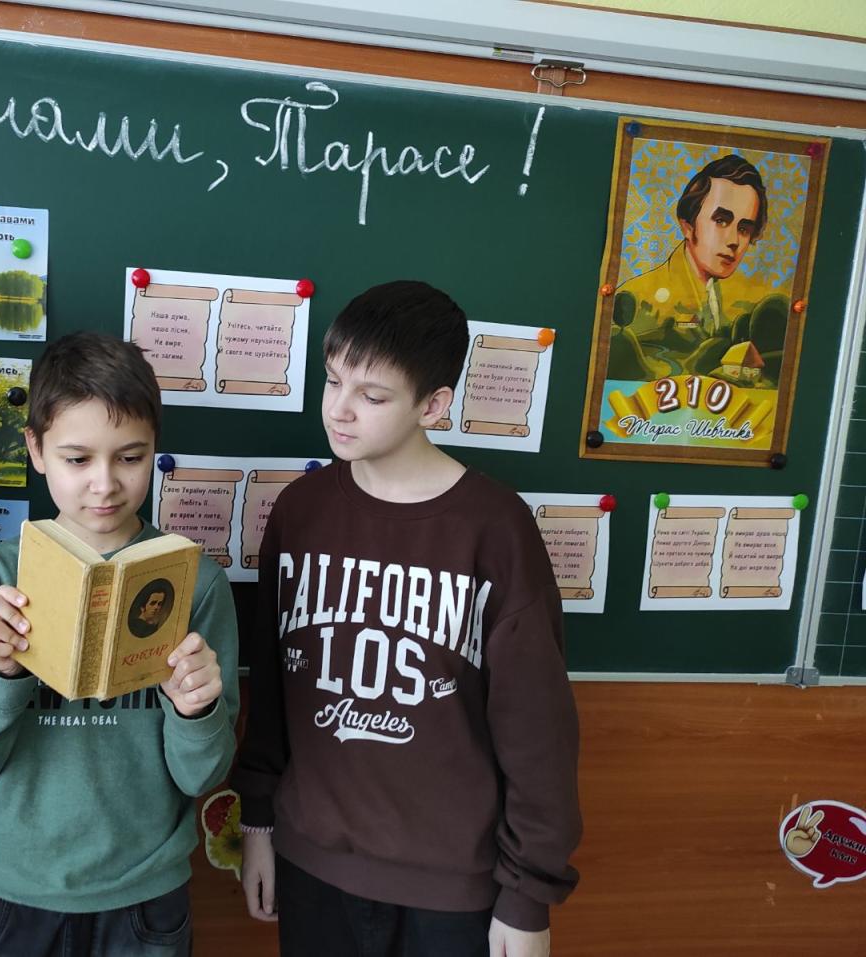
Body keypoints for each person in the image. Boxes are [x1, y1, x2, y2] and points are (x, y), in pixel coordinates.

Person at [232, 281, 581, 957]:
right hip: (313, 865)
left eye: (373, 395)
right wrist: (259, 821)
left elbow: (538, 730)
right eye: (333, 380)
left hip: (453, 891)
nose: (339, 409)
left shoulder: (495, 528)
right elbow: (273, 688)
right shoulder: (301, 511)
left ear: (433, 405)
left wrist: (527, 895)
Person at [0, 331, 240, 957]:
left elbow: (201, 777)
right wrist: (0, 674)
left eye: (130, 457)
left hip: (142, 898)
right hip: (7, 892)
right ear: (36, 449)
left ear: (155, 449)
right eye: (77, 460)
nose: (104, 484)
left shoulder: (195, 582)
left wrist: (197, 710)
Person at [618, 153, 769, 340]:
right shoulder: (638, 301)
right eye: (721, 221)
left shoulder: (737, 305)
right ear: (687, 227)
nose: (734, 241)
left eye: (744, 229)